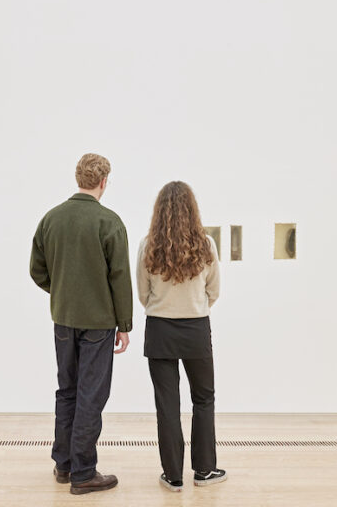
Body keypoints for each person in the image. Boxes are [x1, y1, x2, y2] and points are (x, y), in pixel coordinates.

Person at [29, 153, 133, 495]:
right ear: (104, 181)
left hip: (63, 317)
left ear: (78, 178)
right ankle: (84, 472)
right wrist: (125, 324)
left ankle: (64, 464)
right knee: (91, 394)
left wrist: (61, 291)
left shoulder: (51, 219)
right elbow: (120, 277)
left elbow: (37, 270)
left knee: (67, 390)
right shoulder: (109, 222)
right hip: (99, 323)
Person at [136, 181, 226, 492]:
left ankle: (173, 476)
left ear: (159, 211)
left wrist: (165, 307)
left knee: (167, 404)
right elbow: (214, 291)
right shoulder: (206, 244)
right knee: (203, 399)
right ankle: (204, 471)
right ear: (192, 209)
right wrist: (194, 306)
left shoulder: (148, 244)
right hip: (196, 328)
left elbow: (143, 294)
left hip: (159, 328)